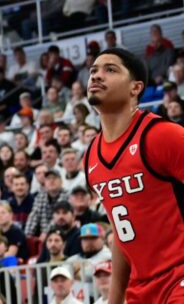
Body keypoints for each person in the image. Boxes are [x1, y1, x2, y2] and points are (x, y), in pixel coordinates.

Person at [82, 48, 184, 304]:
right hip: (141, 287)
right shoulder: (91, 157)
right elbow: (122, 233)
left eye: (110, 70)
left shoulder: (162, 136)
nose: (96, 76)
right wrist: (115, 300)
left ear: (136, 87)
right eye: (93, 71)